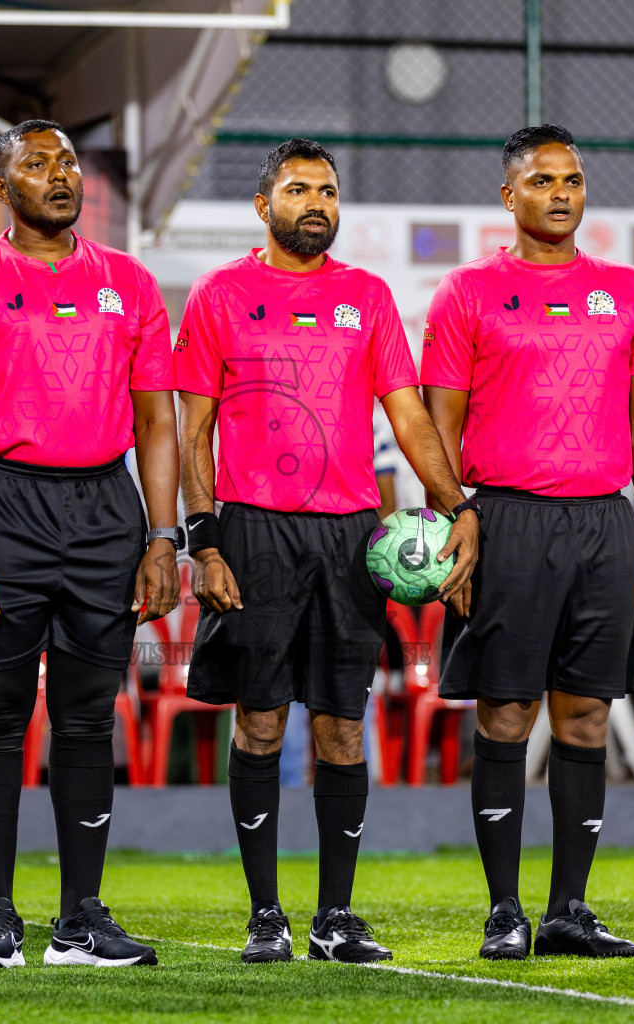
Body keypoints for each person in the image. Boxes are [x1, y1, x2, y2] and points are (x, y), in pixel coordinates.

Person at [178, 138, 479, 965]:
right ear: (263, 205)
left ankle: (335, 917)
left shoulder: (368, 297)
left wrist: (456, 504)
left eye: (329, 191)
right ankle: (266, 914)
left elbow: (409, 416)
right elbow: (192, 431)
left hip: (351, 539)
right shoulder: (219, 295)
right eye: (299, 189)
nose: (317, 203)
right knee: (263, 722)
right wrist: (202, 542)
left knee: (344, 728)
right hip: (253, 531)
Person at [0, 119, 178, 969]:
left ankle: (81, 918)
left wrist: (163, 536)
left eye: (67, 163)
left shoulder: (129, 286)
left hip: (106, 509)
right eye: (37, 165)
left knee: (87, 718)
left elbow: (156, 423)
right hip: (3, 509)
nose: (59, 176)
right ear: (1, 188)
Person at [422, 124, 634, 961]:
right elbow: (439, 425)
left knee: (587, 716)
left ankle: (569, 908)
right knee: (505, 712)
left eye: (572, 178)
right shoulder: (466, 293)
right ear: (509, 196)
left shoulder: (629, 292)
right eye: (541, 180)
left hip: (604, 521)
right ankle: (504, 910)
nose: (560, 192)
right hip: (506, 518)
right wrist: (455, 520)